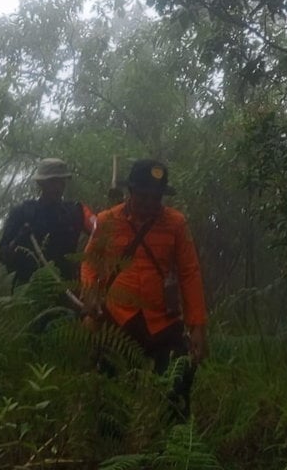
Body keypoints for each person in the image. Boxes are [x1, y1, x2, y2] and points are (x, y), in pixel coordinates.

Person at [80, 158, 208, 419]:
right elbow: (89, 262)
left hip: (163, 321)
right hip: (117, 319)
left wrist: (197, 326)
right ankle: (112, 447)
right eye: (144, 196)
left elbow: (189, 274)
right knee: (111, 394)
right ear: (131, 192)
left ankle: (174, 450)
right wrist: (90, 291)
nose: (150, 203)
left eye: (156, 197)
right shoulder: (106, 220)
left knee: (177, 383)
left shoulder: (176, 224)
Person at [0, 158, 96, 292]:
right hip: (29, 292)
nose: (58, 187)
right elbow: (3, 255)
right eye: (53, 181)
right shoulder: (23, 213)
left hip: (66, 293)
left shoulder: (75, 211)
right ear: (41, 183)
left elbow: (101, 231)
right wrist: (18, 240)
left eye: (61, 181)